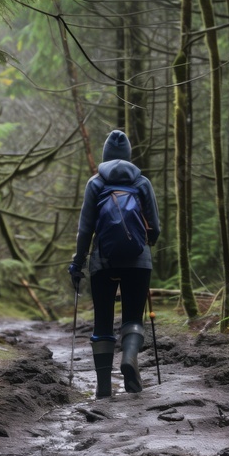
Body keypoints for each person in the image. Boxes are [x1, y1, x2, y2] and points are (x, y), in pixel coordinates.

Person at [69, 130, 160, 398]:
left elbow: (85, 229)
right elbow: (155, 225)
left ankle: (104, 388)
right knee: (133, 316)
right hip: (138, 260)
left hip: (103, 262)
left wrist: (78, 262)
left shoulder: (95, 183)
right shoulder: (142, 182)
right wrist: (148, 241)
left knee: (103, 321)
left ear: (106, 156)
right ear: (128, 156)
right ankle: (129, 358)